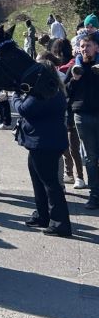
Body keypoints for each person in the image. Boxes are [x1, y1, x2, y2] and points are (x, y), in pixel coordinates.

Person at [15, 61, 72, 237]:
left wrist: (17, 96)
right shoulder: (55, 89)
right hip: (46, 143)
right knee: (39, 181)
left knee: (50, 184)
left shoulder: (43, 92)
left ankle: (60, 223)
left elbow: (23, 109)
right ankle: (43, 215)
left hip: (43, 144)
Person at [65, 34, 99, 209]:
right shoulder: (75, 67)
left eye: (88, 46)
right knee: (90, 157)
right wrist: (74, 79)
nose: (85, 49)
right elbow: (65, 91)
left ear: (97, 48)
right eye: (82, 46)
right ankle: (94, 195)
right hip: (82, 116)